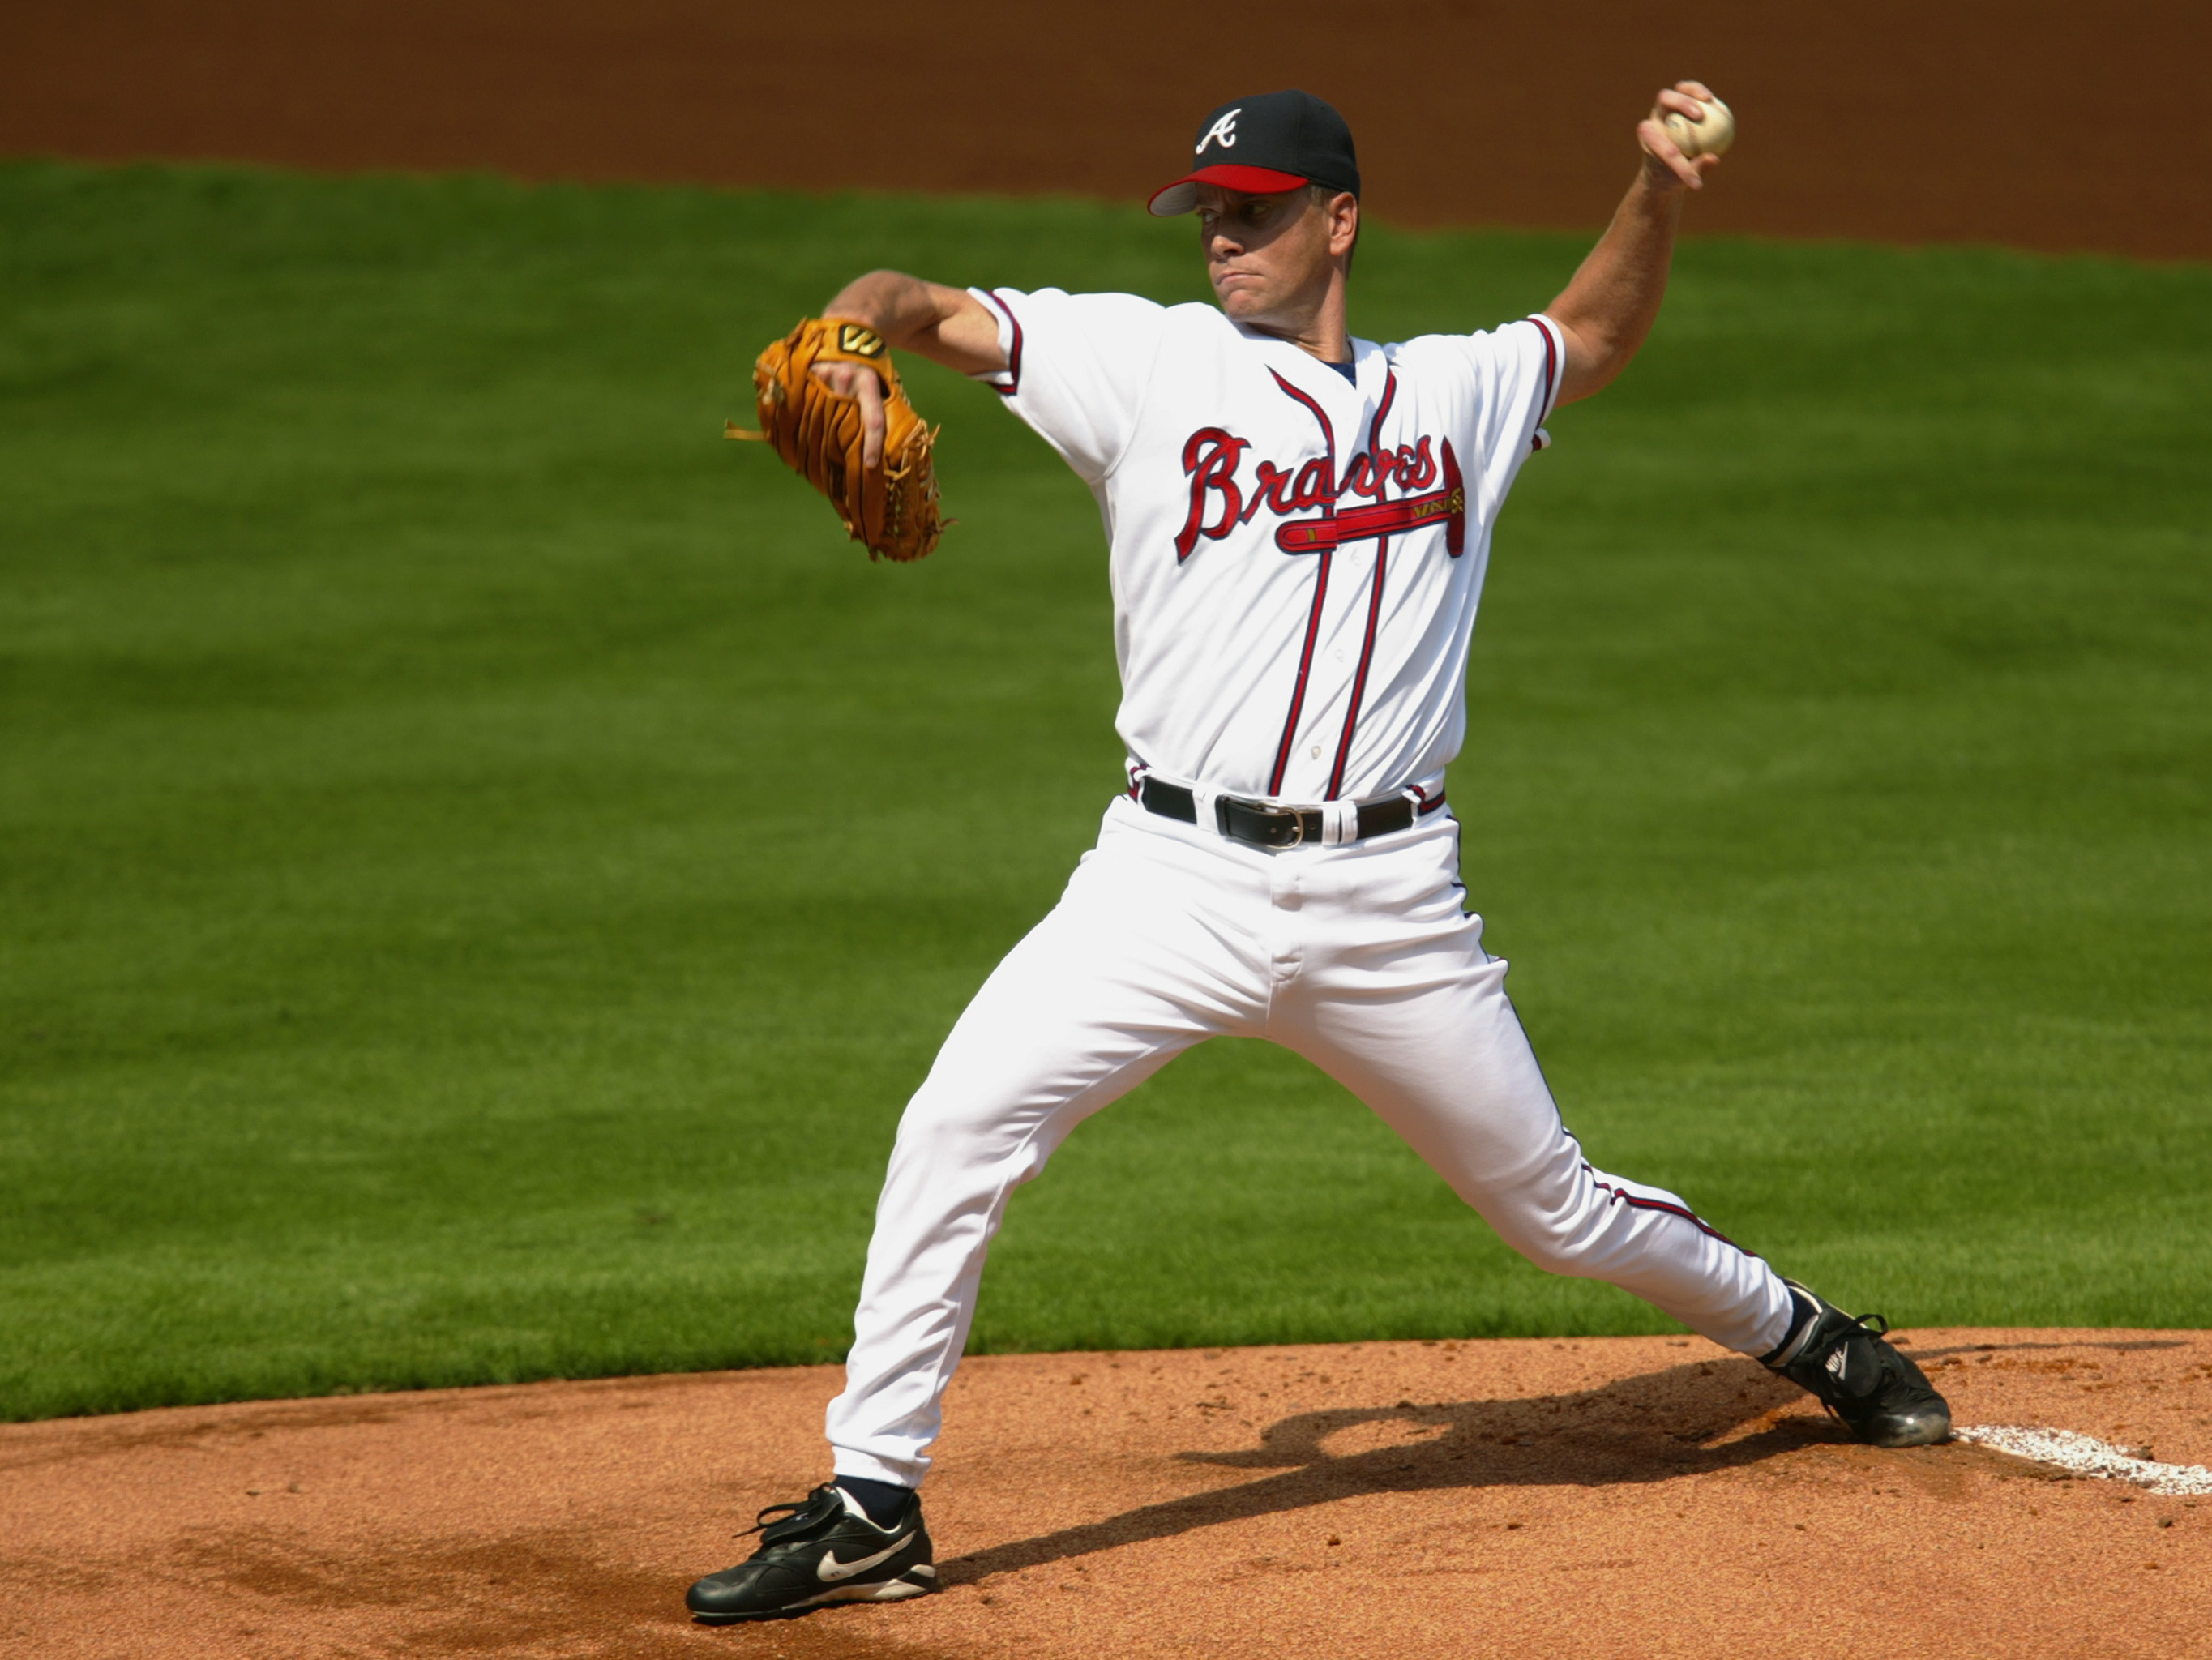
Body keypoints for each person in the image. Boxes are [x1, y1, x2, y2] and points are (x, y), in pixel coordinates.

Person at [686, 83, 1950, 1625]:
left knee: (1549, 1208)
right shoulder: (1142, 360)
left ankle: (1814, 1340)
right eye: (1209, 210)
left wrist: (1656, 187)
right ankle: (875, 1502)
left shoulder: (1457, 394)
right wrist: (852, 342)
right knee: (957, 1126)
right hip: (1164, 886)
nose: (1224, 235)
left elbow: (1593, 335)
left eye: (1257, 210)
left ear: (1338, 221)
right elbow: (912, 301)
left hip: (1390, 905)